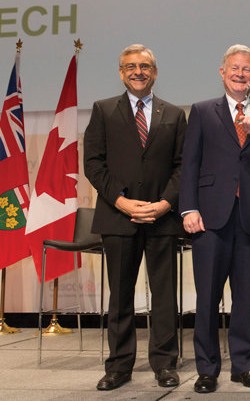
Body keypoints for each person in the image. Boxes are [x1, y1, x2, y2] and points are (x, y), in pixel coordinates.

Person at [179, 44, 250, 394]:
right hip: (209, 217)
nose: (241, 75)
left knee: (245, 297)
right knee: (207, 296)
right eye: (235, 69)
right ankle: (206, 368)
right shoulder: (203, 111)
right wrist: (188, 208)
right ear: (222, 73)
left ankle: (244, 366)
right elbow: (189, 164)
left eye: (247, 70)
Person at [84, 44, 186, 390]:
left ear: (155, 72)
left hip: (162, 219)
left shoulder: (174, 114)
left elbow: (182, 166)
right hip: (118, 218)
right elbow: (93, 163)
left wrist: (164, 204)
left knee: (164, 296)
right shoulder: (103, 110)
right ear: (121, 72)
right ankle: (118, 366)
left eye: (144, 66)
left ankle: (165, 363)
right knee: (121, 296)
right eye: (130, 66)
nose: (138, 71)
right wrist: (122, 202)